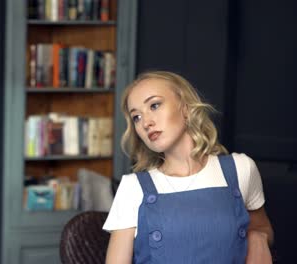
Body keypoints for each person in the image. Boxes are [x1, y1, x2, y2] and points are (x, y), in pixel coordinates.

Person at [103, 71, 274, 263]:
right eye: (136, 117)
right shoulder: (133, 187)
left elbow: (262, 229)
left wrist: (258, 238)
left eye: (155, 105)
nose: (146, 123)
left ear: (185, 107)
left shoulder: (240, 169)